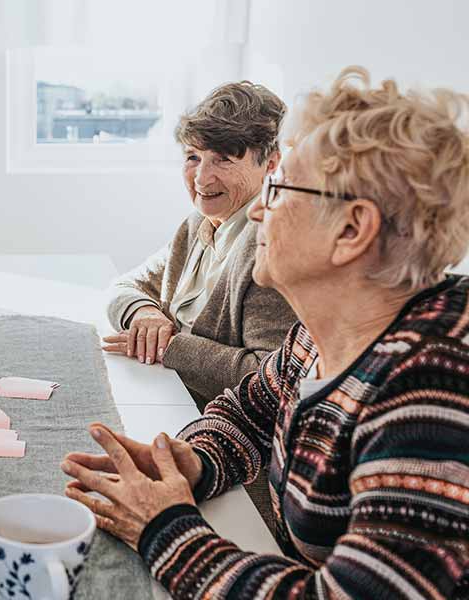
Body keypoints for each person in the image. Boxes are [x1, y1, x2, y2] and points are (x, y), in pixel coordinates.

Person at [63, 67, 469, 598]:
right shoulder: (323, 331)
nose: (257, 208)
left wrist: (163, 526)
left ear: (351, 230)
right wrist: (190, 462)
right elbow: (249, 412)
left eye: (277, 188)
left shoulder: (430, 389)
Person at [104, 81, 296, 407]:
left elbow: (269, 377)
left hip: (215, 428)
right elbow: (124, 286)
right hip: (163, 396)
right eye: (193, 157)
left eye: (223, 159)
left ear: (271, 163)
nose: (202, 178)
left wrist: (170, 347)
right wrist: (145, 314)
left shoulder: (271, 248)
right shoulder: (198, 224)